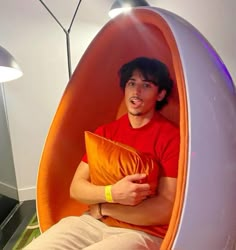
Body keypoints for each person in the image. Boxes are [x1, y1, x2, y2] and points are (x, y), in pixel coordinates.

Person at [24, 57, 180, 250]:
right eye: (132, 83)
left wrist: (105, 207)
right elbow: (76, 188)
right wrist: (112, 193)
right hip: (92, 222)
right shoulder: (105, 133)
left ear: (160, 94)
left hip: (142, 232)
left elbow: (166, 209)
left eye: (146, 85)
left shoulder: (172, 137)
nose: (136, 91)